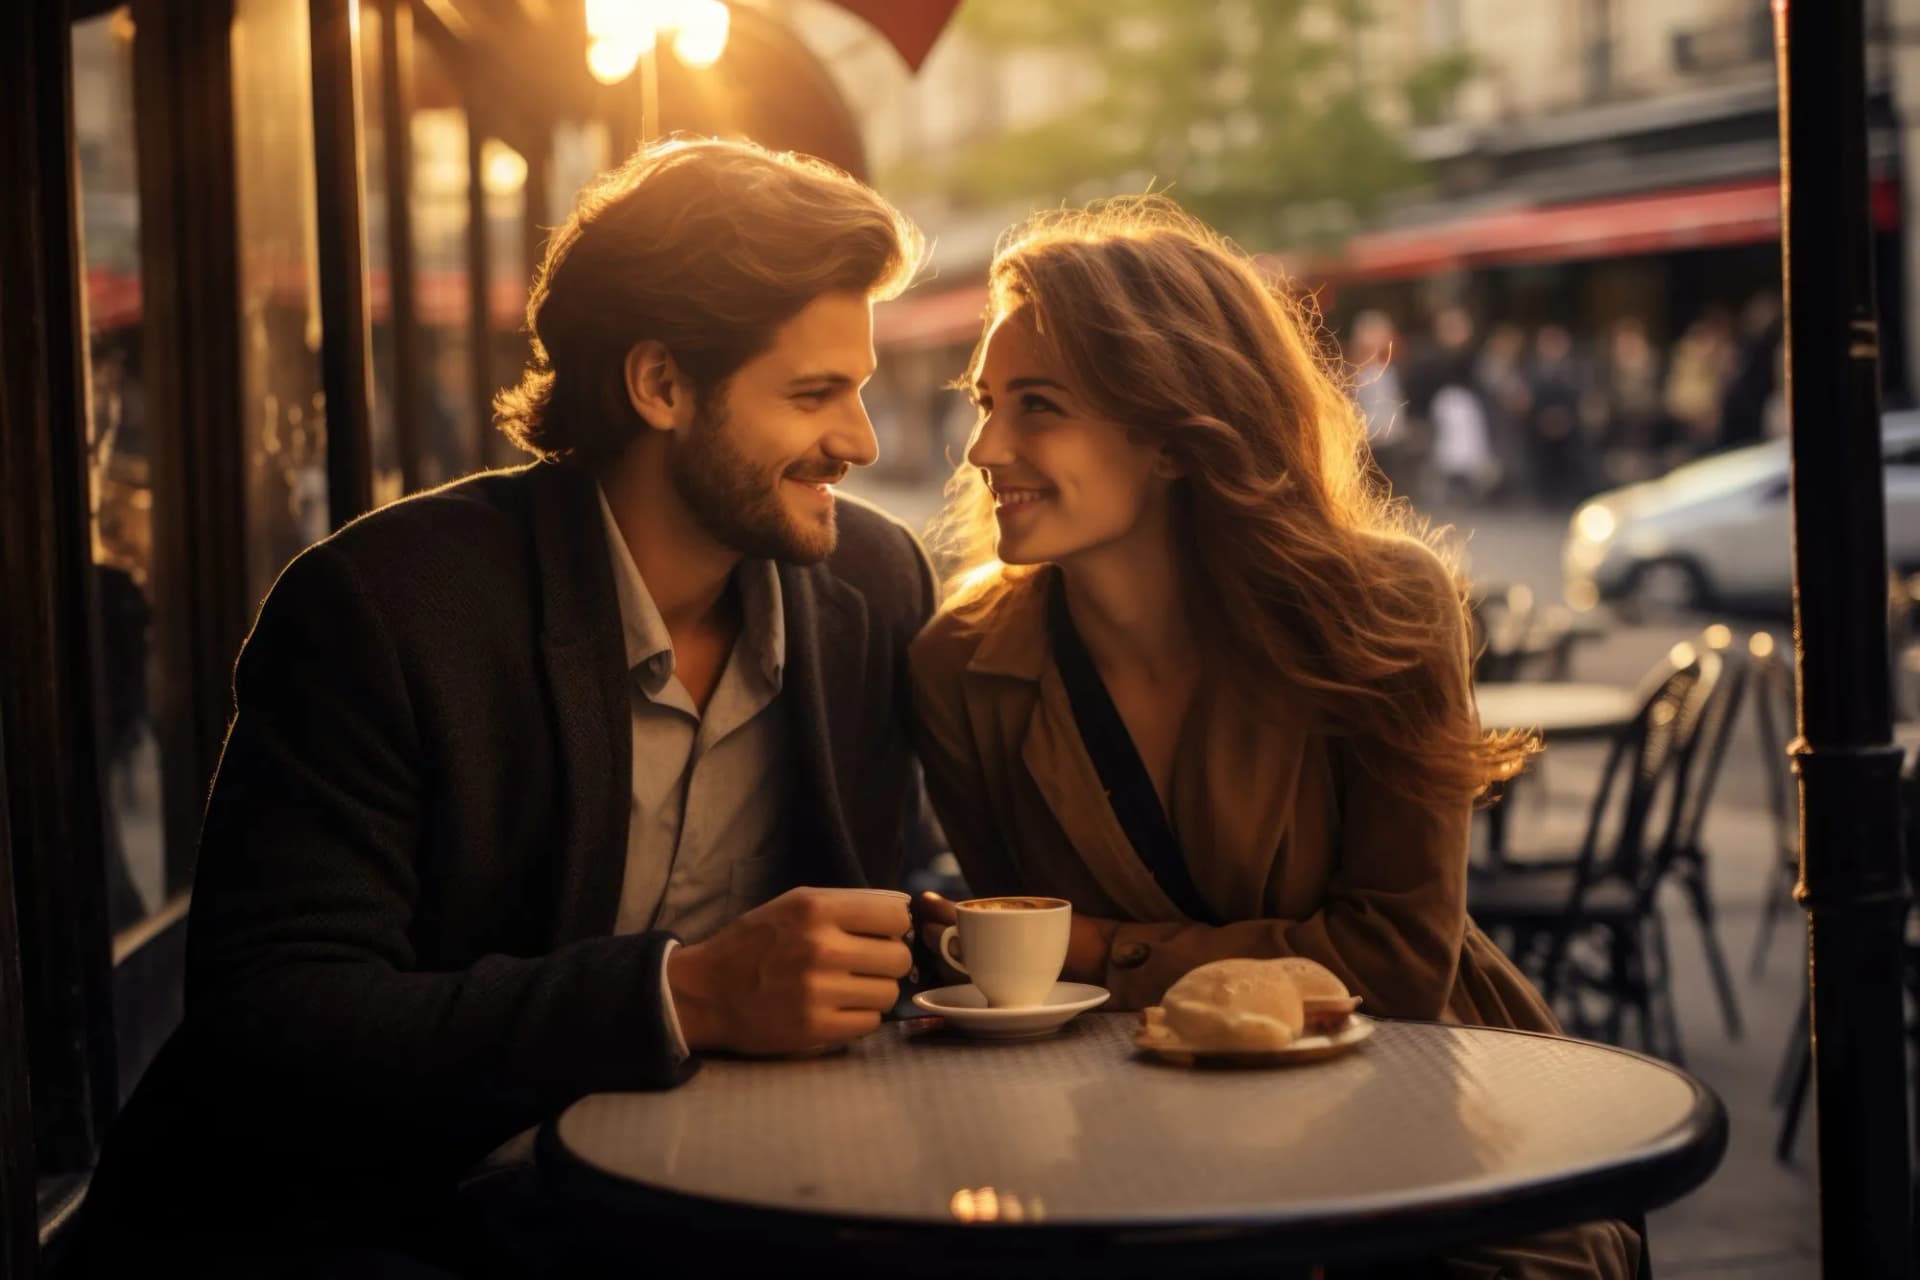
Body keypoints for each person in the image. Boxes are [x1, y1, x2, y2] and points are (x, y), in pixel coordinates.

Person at [73, 138, 935, 1276]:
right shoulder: (384, 606)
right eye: (814, 392)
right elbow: (274, 1024)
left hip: (713, 1196)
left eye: (859, 389)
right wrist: (681, 994)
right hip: (368, 1223)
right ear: (661, 383)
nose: (861, 442)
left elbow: (898, 883)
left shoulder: (870, 584)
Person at [907, 197, 1644, 1278]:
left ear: (1170, 432)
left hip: (1422, 1101)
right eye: (985, 403)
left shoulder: (1382, 611)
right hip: (1130, 1133)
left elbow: (1393, 965)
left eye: (1038, 406)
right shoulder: (960, 662)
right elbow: (1032, 988)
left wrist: (1112, 948)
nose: (984, 447)